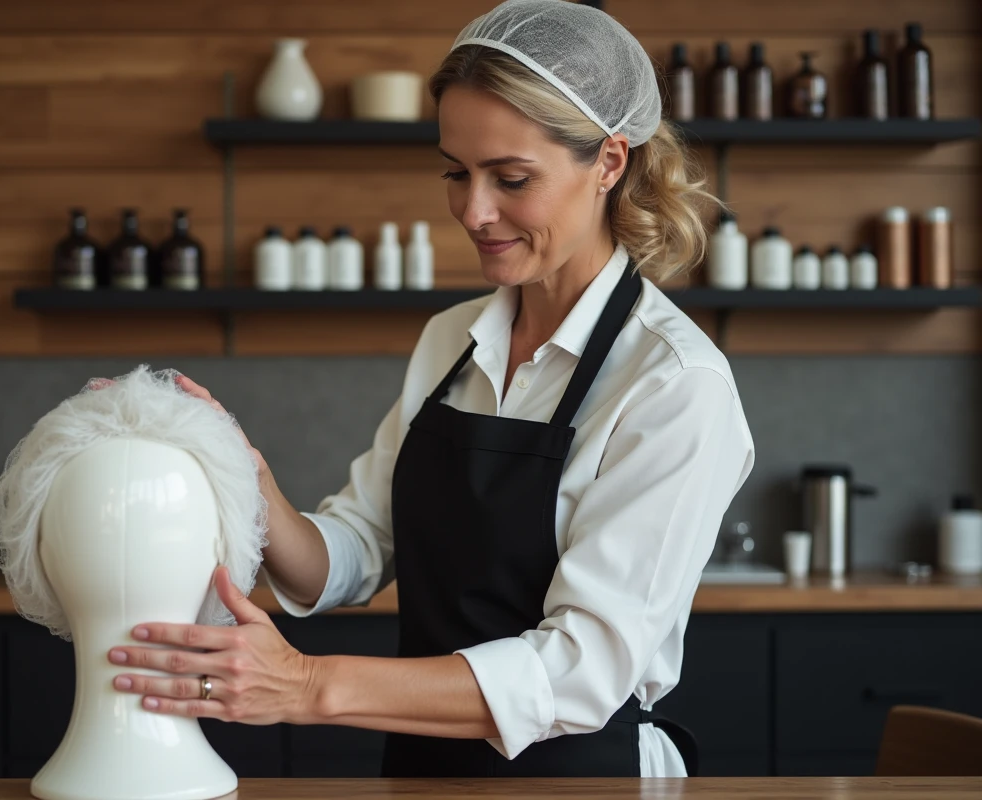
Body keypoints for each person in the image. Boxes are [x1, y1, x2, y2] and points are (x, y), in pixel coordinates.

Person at [105, 0, 754, 778]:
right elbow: (352, 553)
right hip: (422, 771)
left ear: (609, 162)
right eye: (456, 172)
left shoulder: (675, 384)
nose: (473, 212)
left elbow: (578, 673)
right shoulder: (453, 339)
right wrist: (245, 478)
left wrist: (307, 685)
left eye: (511, 178)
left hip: (583, 779)